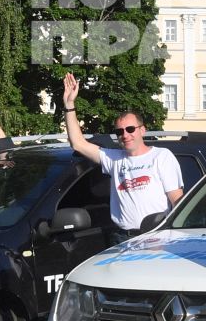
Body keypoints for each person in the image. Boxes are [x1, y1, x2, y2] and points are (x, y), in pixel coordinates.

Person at [59, 73, 184, 237]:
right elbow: (78, 144)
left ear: (142, 130)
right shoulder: (114, 158)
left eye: (130, 129)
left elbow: (177, 200)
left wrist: (177, 235)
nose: (125, 135)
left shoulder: (161, 156)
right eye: (120, 131)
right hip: (121, 237)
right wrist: (69, 104)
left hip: (155, 235)